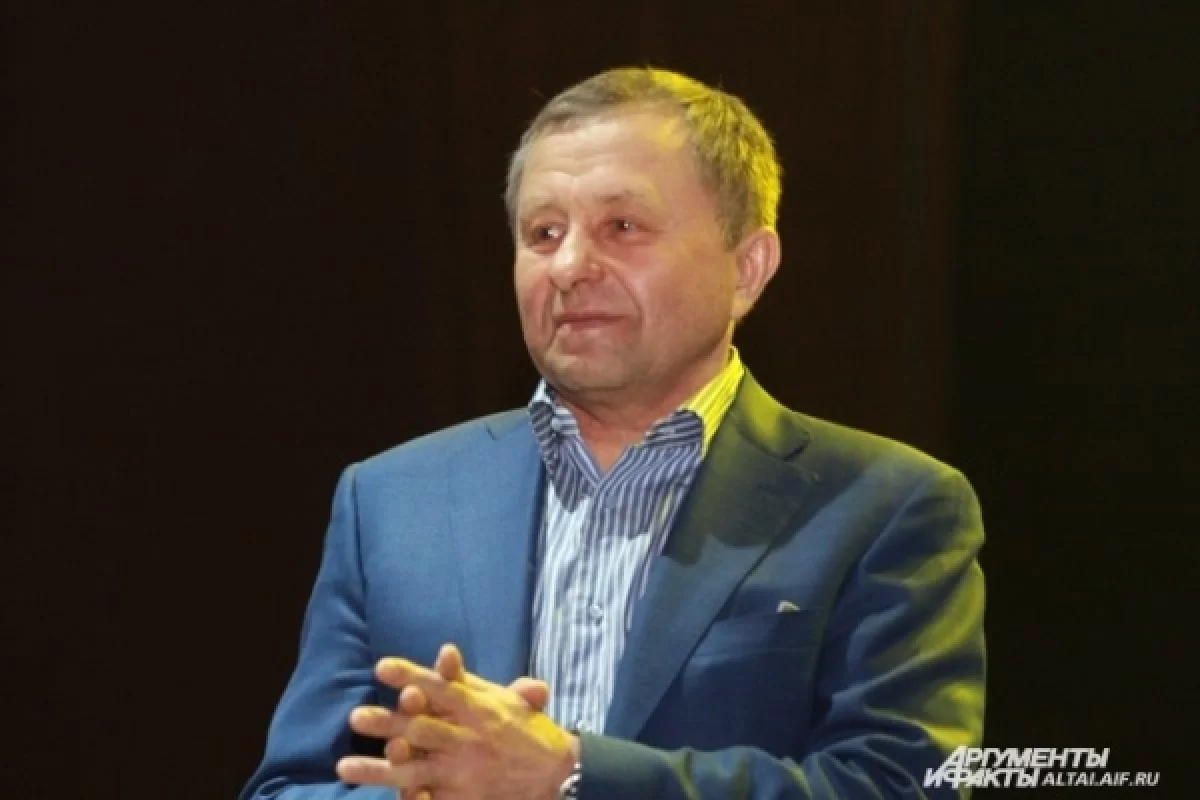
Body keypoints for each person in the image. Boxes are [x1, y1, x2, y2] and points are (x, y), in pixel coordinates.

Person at [239, 66, 986, 800]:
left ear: (747, 268)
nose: (568, 266)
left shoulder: (884, 508)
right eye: (543, 233)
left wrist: (570, 776)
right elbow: (291, 788)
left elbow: (905, 785)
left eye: (621, 227)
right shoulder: (392, 501)